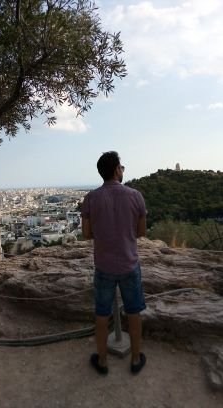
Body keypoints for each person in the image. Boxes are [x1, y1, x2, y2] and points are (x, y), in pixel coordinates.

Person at [81, 151, 147, 375]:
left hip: (104, 266)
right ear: (117, 170)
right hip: (129, 264)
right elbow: (142, 231)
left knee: (101, 313)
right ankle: (136, 358)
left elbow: (86, 234)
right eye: (122, 167)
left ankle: (102, 361)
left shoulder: (90, 198)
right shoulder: (136, 195)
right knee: (134, 311)